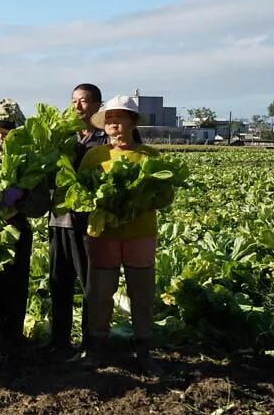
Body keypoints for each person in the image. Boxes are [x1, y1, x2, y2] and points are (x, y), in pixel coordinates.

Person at [80, 95, 172, 376]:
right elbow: (81, 192)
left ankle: (143, 349)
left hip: (140, 233)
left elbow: (166, 196)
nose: (113, 124)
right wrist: (101, 202)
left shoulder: (149, 156)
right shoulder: (95, 156)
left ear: (132, 122)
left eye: (118, 118)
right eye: (109, 119)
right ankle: (97, 348)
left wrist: (139, 201)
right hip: (103, 233)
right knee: (100, 292)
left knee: (141, 293)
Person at [0, 98, 50, 373]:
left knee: (13, 293)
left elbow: (41, 205)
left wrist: (21, 196)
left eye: (7, 130)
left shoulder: (30, 162)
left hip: (15, 233)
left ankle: (12, 348)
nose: (1, 135)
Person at [44, 84, 108, 358]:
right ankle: (58, 341)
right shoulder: (63, 136)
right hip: (59, 218)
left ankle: (90, 344)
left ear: (97, 105)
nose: (77, 106)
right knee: (59, 283)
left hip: (88, 223)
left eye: (83, 101)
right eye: (73, 101)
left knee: (89, 286)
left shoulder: (105, 139)